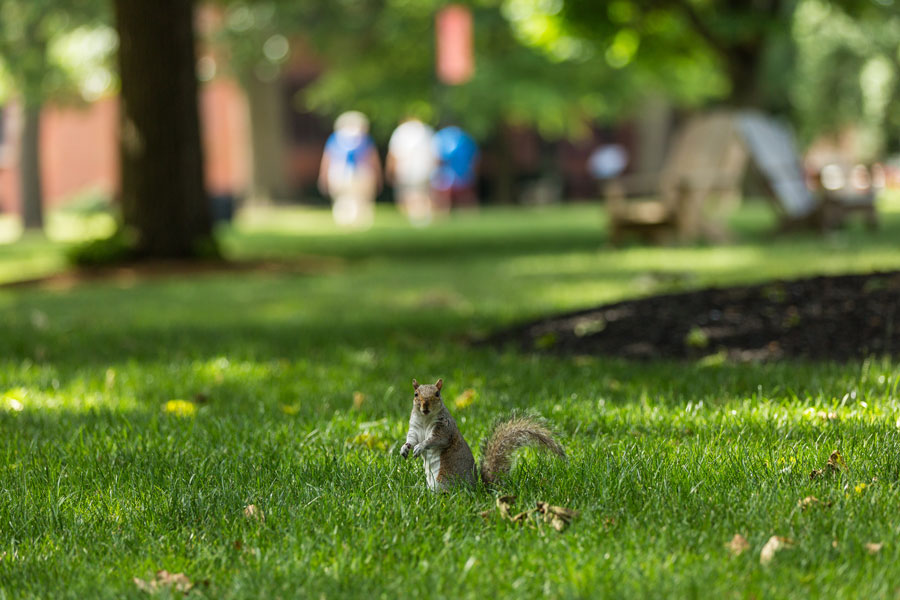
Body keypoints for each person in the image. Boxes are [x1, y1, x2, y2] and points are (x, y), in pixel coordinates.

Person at [318, 111, 381, 229]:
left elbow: (327, 159)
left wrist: (323, 176)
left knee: (342, 198)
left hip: (339, 172)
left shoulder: (335, 139)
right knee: (362, 198)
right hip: (363, 172)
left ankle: (344, 221)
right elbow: (373, 159)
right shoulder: (365, 139)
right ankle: (361, 223)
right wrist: (378, 176)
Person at [386, 118, 437, 226]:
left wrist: (390, 171)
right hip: (424, 168)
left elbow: (394, 154)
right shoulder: (427, 131)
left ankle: (414, 218)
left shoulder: (400, 132)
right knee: (423, 193)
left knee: (408, 194)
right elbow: (435, 153)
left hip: (406, 169)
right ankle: (422, 219)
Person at [432, 125, 478, 211]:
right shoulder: (465, 138)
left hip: (450, 173)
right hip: (462, 172)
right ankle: (468, 214)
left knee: (449, 195)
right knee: (464, 195)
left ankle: (443, 213)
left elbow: (440, 157)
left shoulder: (443, 137)